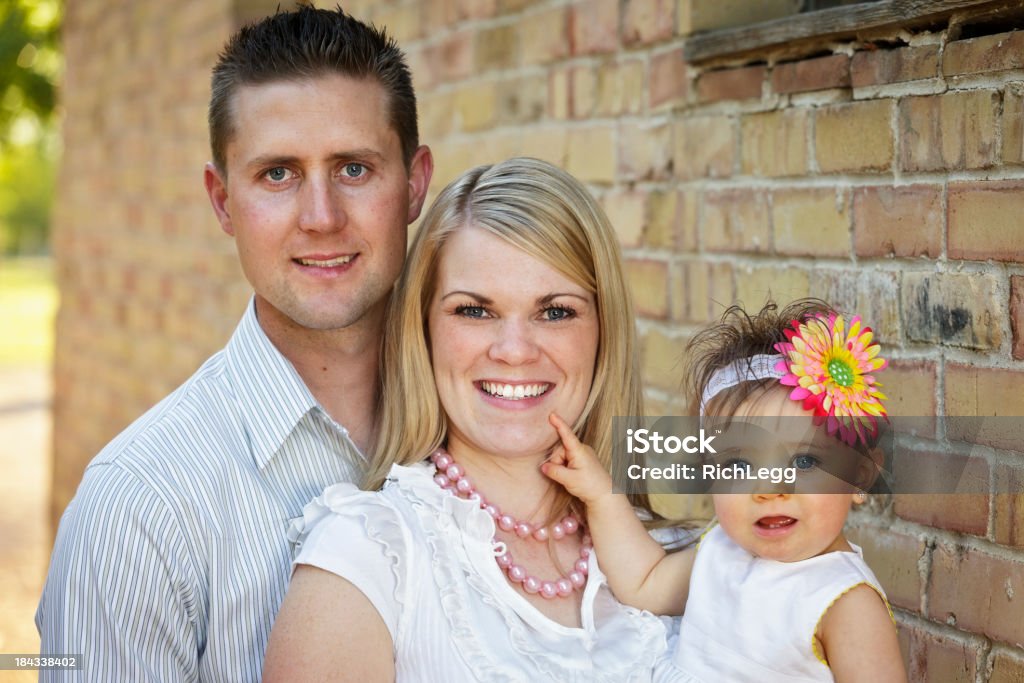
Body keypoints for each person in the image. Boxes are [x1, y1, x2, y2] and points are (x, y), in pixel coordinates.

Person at [36, 7, 432, 680]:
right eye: (277, 173)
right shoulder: (136, 509)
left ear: (415, 182)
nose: (321, 217)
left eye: (355, 169)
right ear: (222, 201)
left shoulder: (497, 412)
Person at [263, 157, 680, 682]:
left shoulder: (673, 555)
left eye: (554, 312)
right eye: (474, 311)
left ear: (604, 331)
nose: (513, 350)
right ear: (425, 329)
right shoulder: (369, 558)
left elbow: (805, 467)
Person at [543, 300, 908, 682]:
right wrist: (602, 495)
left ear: (860, 476)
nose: (769, 489)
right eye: (739, 466)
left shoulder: (844, 601)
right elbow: (644, 584)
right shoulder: (721, 550)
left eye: (803, 462)